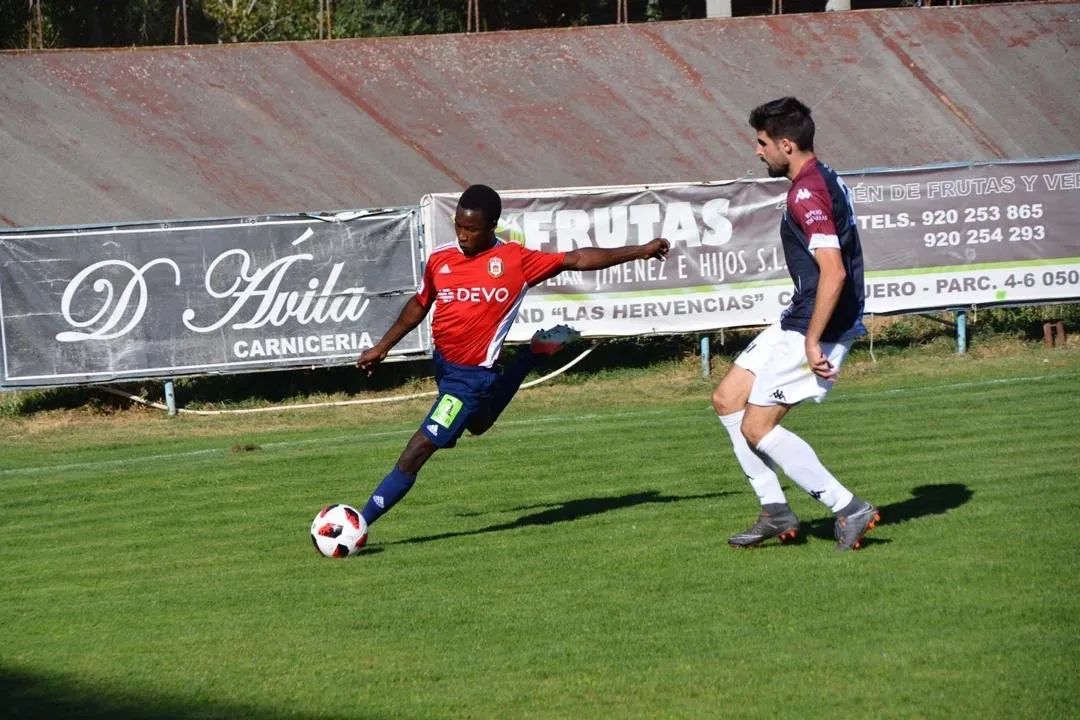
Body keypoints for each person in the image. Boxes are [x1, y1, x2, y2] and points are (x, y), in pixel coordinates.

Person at [355, 183, 670, 533]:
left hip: (471, 377)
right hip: (444, 363)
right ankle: (532, 354)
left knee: (420, 447)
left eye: (471, 229)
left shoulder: (515, 261)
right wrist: (383, 347)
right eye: (458, 225)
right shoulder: (441, 259)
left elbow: (577, 259)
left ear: (492, 227)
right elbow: (419, 305)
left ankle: (358, 523)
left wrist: (640, 250)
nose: (462, 235)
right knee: (478, 423)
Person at [711, 97, 879, 551]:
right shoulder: (820, 177)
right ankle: (775, 511)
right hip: (799, 317)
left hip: (816, 325)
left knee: (757, 427)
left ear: (787, 144)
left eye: (763, 143)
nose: (757, 151)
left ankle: (848, 508)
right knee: (728, 400)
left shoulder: (806, 193)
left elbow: (835, 269)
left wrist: (811, 342)